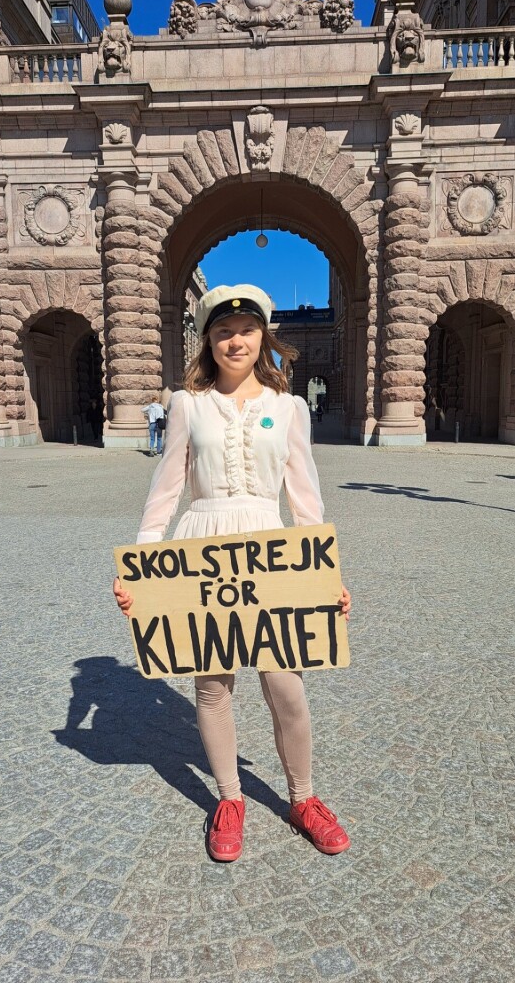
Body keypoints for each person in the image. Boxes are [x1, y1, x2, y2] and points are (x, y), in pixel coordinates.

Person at [114, 284, 352, 862]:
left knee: (285, 685)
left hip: (272, 551)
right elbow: (165, 489)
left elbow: (306, 498)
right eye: (223, 331)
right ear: (208, 339)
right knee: (212, 685)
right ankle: (229, 797)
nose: (235, 339)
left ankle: (303, 796)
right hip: (203, 547)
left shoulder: (289, 408)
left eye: (246, 329)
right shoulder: (187, 405)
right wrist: (143, 566)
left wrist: (325, 576)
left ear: (263, 337)